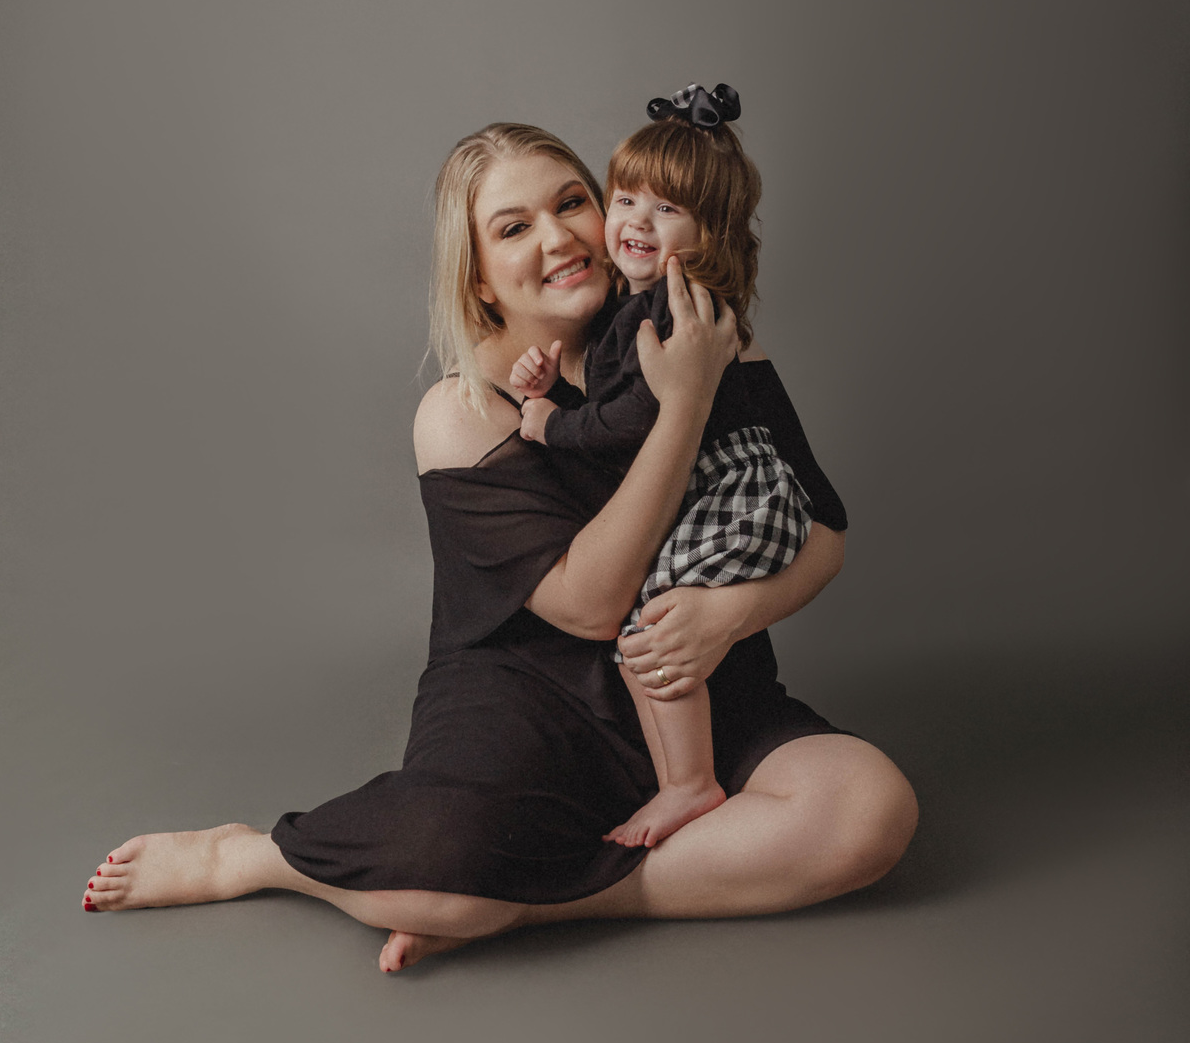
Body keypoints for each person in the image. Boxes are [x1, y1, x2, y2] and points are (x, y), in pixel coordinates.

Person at [80, 122, 917, 971]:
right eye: (515, 228)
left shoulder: (696, 329)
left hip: (688, 681)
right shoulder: (461, 412)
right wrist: (687, 404)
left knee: (869, 812)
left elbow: (825, 532)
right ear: (479, 276)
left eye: (572, 203)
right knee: (439, 859)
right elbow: (593, 606)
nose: (558, 237)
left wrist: (729, 615)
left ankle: (519, 903)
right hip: (530, 709)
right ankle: (249, 856)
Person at [509, 83, 816, 851]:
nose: (636, 222)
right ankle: (679, 777)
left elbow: (633, 422)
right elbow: (626, 399)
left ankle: (690, 783)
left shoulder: (675, 311)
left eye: (667, 209)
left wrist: (551, 423)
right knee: (640, 636)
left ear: (709, 230)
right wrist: (556, 387)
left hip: (736, 493)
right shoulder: (637, 304)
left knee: (650, 628)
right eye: (625, 199)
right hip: (723, 490)